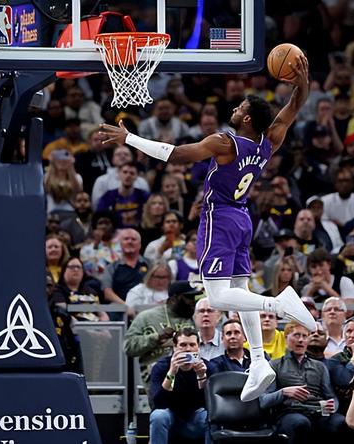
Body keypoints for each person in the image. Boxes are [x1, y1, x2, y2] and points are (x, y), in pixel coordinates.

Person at [99, 54, 315, 401]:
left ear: (246, 118)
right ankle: (259, 361)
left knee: (215, 296)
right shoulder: (268, 141)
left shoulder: (225, 143)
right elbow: (293, 107)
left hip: (220, 217)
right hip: (243, 218)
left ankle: (279, 304)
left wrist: (130, 139)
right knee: (240, 290)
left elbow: (176, 154)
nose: (235, 108)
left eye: (240, 107)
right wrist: (302, 83)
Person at [259, 321, 354, 444]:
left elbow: (331, 397)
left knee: (341, 422)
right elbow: (264, 401)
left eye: (304, 336)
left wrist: (332, 406)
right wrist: (284, 392)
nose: (301, 340)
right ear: (286, 338)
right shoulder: (274, 365)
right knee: (301, 423)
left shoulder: (319, 366)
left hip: (318, 412)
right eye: (296, 335)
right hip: (290, 412)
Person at [123, 281, 197, 392]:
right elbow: (128, 347)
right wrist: (156, 337)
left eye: (194, 297)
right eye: (188, 297)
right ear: (174, 298)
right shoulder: (147, 317)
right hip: (158, 378)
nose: (193, 301)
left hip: (189, 377)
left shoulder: (195, 317)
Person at [149, 327, 213, 444]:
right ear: (175, 347)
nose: (188, 349)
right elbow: (158, 403)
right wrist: (172, 372)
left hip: (195, 420)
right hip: (169, 419)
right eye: (183, 345)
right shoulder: (161, 367)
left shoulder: (208, 367)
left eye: (192, 345)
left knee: (209, 417)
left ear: (198, 347)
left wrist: (201, 376)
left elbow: (209, 405)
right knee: (158, 416)